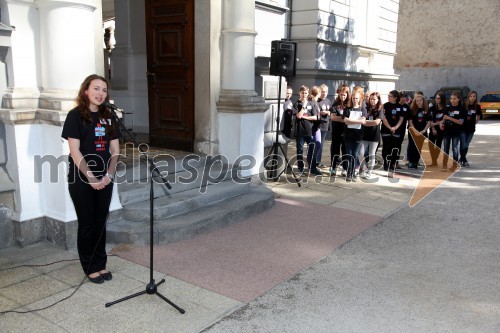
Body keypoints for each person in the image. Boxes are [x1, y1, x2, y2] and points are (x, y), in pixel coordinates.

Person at [61, 74, 120, 284]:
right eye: (96, 88)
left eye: (104, 90)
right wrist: (92, 178)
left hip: (105, 177)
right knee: (87, 223)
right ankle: (89, 266)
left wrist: (109, 175)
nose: (100, 93)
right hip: (81, 177)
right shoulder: (75, 116)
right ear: (86, 91)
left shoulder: (109, 117)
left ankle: (101, 263)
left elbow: (115, 150)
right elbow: (75, 151)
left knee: (100, 222)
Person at [293, 85, 322, 176]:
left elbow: (317, 117)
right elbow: (298, 116)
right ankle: (300, 169)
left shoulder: (312, 103)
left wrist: (307, 117)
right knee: (300, 151)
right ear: (299, 93)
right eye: (302, 93)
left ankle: (312, 168)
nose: (304, 95)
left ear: (308, 93)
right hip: (300, 131)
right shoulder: (297, 103)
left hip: (309, 131)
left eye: (306, 93)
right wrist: (304, 106)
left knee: (312, 149)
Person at [342, 90, 367, 181]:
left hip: (358, 135)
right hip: (348, 135)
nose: (355, 100)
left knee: (355, 154)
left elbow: (363, 120)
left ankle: (353, 173)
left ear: (359, 99)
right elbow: (345, 120)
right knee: (348, 154)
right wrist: (357, 121)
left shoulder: (362, 109)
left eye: (356, 98)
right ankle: (349, 173)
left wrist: (351, 121)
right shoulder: (348, 108)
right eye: (353, 98)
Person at [440, 92, 465, 171]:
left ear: (459, 99)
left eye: (454, 98)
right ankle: (444, 165)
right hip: (447, 131)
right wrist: (441, 124)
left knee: (455, 148)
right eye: (451, 99)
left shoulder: (461, 109)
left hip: (456, 131)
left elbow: (460, 122)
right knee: (446, 148)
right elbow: (443, 119)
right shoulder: (447, 108)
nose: (452, 100)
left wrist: (449, 118)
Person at [359, 92, 382, 179]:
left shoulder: (380, 109)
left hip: (374, 135)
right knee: (360, 153)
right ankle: (364, 168)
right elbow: (362, 121)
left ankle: (369, 171)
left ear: (378, 100)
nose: (372, 101)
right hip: (364, 135)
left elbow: (377, 122)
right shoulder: (365, 108)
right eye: (371, 99)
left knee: (371, 154)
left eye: (374, 99)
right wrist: (369, 122)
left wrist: (366, 122)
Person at [381, 90, 404, 173]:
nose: (388, 97)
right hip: (386, 129)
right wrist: (390, 127)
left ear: (395, 97)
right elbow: (383, 118)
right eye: (388, 95)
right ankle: (385, 163)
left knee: (394, 148)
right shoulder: (385, 106)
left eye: (390, 96)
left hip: (396, 131)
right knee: (386, 147)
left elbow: (401, 118)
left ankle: (392, 163)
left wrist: (395, 127)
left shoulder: (400, 106)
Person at [330, 84, 350, 176]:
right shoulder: (335, 104)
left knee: (345, 150)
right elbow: (333, 118)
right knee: (335, 149)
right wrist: (344, 119)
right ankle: (333, 167)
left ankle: (345, 168)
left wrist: (342, 118)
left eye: (344, 95)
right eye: (341, 95)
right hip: (336, 131)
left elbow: (351, 117)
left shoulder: (349, 105)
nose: (343, 96)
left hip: (346, 131)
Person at [407, 94, 431, 169]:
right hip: (413, 131)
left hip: (422, 131)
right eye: (417, 101)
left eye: (420, 100)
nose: (418, 102)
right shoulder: (412, 109)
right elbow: (410, 121)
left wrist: (424, 130)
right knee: (412, 146)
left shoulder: (427, 110)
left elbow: (429, 122)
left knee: (419, 148)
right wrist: (414, 131)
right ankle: (411, 161)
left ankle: (416, 162)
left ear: (423, 101)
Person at [460, 90, 482, 167]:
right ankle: (464, 160)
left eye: (474, 96)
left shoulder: (477, 107)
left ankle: (461, 159)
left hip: (471, 129)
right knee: (463, 145)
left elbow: (478, 116)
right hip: (463, 128)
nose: (472, 98)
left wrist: (474, 123)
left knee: (466, 145)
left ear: (476, 97)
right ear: (468, 97)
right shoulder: (464, 105)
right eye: (471, 96)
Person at [428, 92, 446, 166]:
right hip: (433, 129)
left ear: (442, 99)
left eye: (438, 98)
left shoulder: (445, 108)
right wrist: (433, 128)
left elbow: (444, 120)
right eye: (436, 98)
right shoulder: (432, 108)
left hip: (441, 129)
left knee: (438, 145)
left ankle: (435, 161)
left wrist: (435, 124)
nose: (437, 100)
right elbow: (430, 119)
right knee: (431, 145)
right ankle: (433, 160)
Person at [317, 84, 331, 168]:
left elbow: (331, 110)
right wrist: (321, 113)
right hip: (317, 125)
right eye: (322, 91)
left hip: (325, 125)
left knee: (321, 144)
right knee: (316, 144)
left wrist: (329, 112)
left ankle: (318, 161)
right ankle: (313, 161)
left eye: (326, 91)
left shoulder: (328, 101)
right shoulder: (316, 100)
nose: (324, 93)